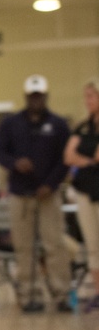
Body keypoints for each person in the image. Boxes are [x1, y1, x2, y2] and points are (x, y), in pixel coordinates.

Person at [0, 74, 72, 312]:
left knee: (54, 244)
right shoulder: (11, 124)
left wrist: (51, 183)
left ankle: (61, 295)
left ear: (45, 96)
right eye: (32, 96)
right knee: (24, 247)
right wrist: (15, 162)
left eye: (39, 96)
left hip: (48, 194)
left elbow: (65, 160)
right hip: (20, 194)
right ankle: (28, 295)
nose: (36, 100)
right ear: (26, 97)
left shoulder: (58, 125)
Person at [64, 77, 99, 312]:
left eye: (92, 96)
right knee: (92, 244)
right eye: (85, 96)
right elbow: (69, 156)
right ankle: (98, 291)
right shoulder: (83, 126)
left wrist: (84, 159)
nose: (88, 101)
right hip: (85, 190)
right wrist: (87, 160)